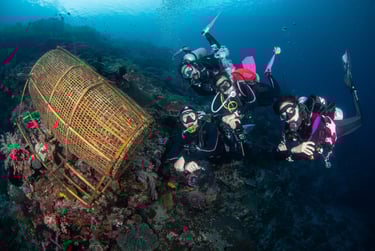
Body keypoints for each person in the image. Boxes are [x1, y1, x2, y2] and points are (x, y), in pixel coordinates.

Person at [274, 50, 362, 167]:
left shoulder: (312, 116)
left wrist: (293, 150)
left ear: (297, 108)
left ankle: (351, 86)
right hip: (321, 141)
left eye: (290, 111)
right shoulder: (287, 131)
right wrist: (293, 150)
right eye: (284, 115)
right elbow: (277, 156)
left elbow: (313, 148)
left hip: (333, 127)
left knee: (360, 120)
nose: (288, 118)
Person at [210, 47, 282, 155]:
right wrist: (225, 118)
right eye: (221, 87)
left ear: (230, 81)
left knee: (275, 95)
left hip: (258, 94)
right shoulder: (221, 97)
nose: (226, 88)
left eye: (226, 84)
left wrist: (236, 113)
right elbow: (215, 113)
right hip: (249, 105)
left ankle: (268, 73)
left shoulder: (240, 84)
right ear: (218, 90)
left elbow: (252, 101)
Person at [163, 106, 240, 184]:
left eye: (192, 116)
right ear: (181, 121)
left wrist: (185, 158)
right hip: (206, 161)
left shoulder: (209, 127)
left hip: (225, 158)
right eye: (185, 117)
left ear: (197, 117)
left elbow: (212, 149)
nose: (189, 120)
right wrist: (185, 165)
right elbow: (171, 155)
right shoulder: (181, 134)